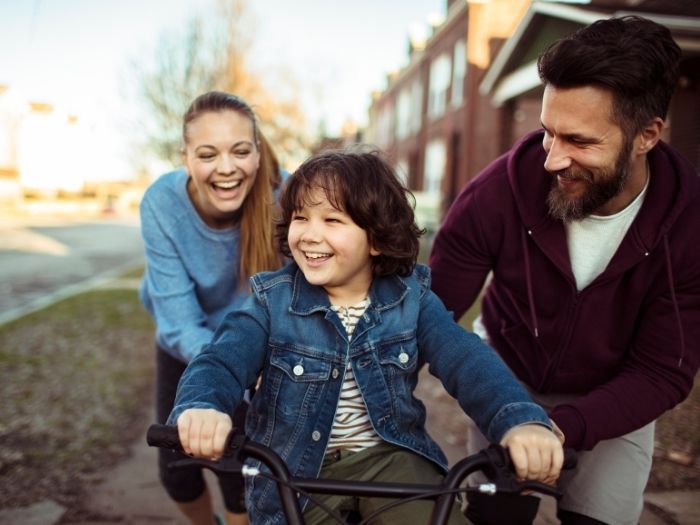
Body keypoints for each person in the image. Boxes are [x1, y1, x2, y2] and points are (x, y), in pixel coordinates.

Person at [167, 149, 564, 525]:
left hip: (393, 460)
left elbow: (468, 361)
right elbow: (221, 360)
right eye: (300, 218)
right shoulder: (272, 302)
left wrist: (519, 422)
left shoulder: (412, 300)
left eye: (332, 221)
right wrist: (203, 405)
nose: (308, 234)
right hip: (295, 471)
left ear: (376, 238)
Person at [429, 15, 700, 525]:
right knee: (493, 517)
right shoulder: (497, 193)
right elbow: (424, 310)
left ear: (647, 136)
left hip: (617, 396)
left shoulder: (690, 227)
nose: (552, 159)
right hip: (506, 380)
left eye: (579, 141)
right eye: (548, 133)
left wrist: (561, 428)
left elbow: (662, 370)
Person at [139, 91, 284, 525]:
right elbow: (180, 322)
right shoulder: (162, 204)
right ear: (186, 158)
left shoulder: (287, 196)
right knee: (177, 471)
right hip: (186, 339)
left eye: (240, 151)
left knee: (240, 473)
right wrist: (223, 374)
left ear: (257, 154)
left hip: (253, 345)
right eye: (208, 154)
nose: (226, 168)